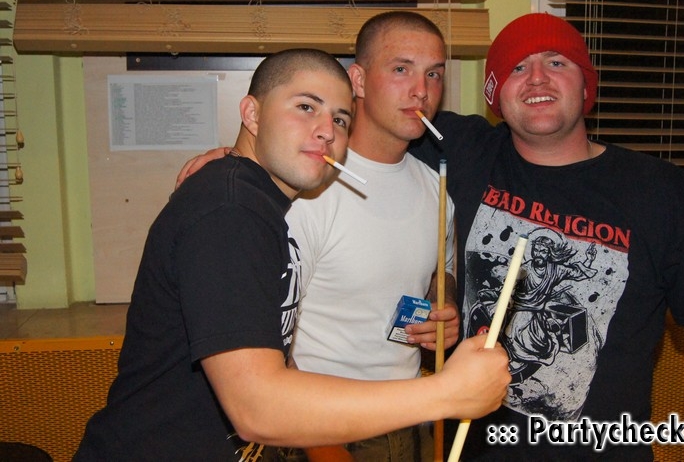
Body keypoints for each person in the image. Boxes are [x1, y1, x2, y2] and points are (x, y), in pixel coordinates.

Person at [74, 48, 510, 462]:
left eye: (340, 119)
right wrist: (447, 393)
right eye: (305, 107)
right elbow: (256, 409)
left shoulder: (260, 206)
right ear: (252, 114)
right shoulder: (229, 211)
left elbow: (267, 357)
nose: (327, 130)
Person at [407, 12, 684, 459]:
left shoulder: (660, 192)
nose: (537, 78)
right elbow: (378, 112)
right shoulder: (462, 150)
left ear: (585, 86)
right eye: (517, 67)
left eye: (557, 63)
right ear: (496, 94)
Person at [177, 11, 460, 462]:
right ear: (359, 80)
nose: (421, 90)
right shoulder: (305, 185)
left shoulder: (435, 188)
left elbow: (437, 274)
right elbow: (270, 333)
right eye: (401, 69)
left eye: (434, 74)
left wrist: (444, 309)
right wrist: (320, 446)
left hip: (409, 417)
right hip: (321, 427)